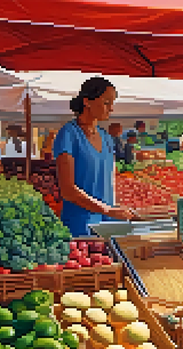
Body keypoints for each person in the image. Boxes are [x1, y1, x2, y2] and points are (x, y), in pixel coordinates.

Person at [53, 77, 135, 237]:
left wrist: (117, 208)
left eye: (112, 103)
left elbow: (109, 180)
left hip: (109, 223)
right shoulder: (68, 134)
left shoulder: (106, 137)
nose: (111, 108)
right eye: (106, 102)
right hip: (81, 225)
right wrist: (108, 210)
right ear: (87, 102)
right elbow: (68, 190)